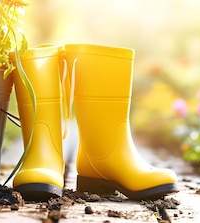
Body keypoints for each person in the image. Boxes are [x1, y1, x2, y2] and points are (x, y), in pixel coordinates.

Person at [11, 44, 178, 201]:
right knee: (33, 59)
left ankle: (98, 162)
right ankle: (47, 160)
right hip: (47, 163)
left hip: (98, 162)